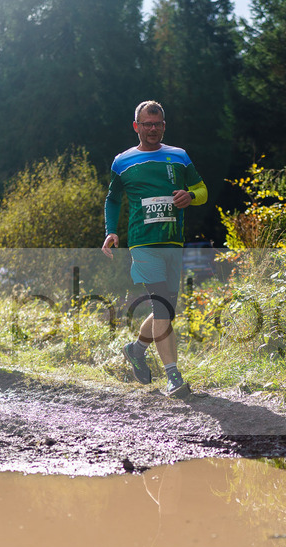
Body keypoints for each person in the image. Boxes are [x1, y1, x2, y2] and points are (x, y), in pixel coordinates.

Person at [101, 100, 208, 398]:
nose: (152, 129)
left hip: (174, 242)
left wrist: (191, 196)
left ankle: (136, 349)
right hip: (142, 243)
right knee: (161, 305)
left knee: (167, 310)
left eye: (157, 124)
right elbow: (113, 200)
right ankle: (173, 376)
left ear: (164, 125)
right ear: (136, 126)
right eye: (146, 124)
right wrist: (111, 231)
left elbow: (202, 190)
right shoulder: (122, 161)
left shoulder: (179, 156)